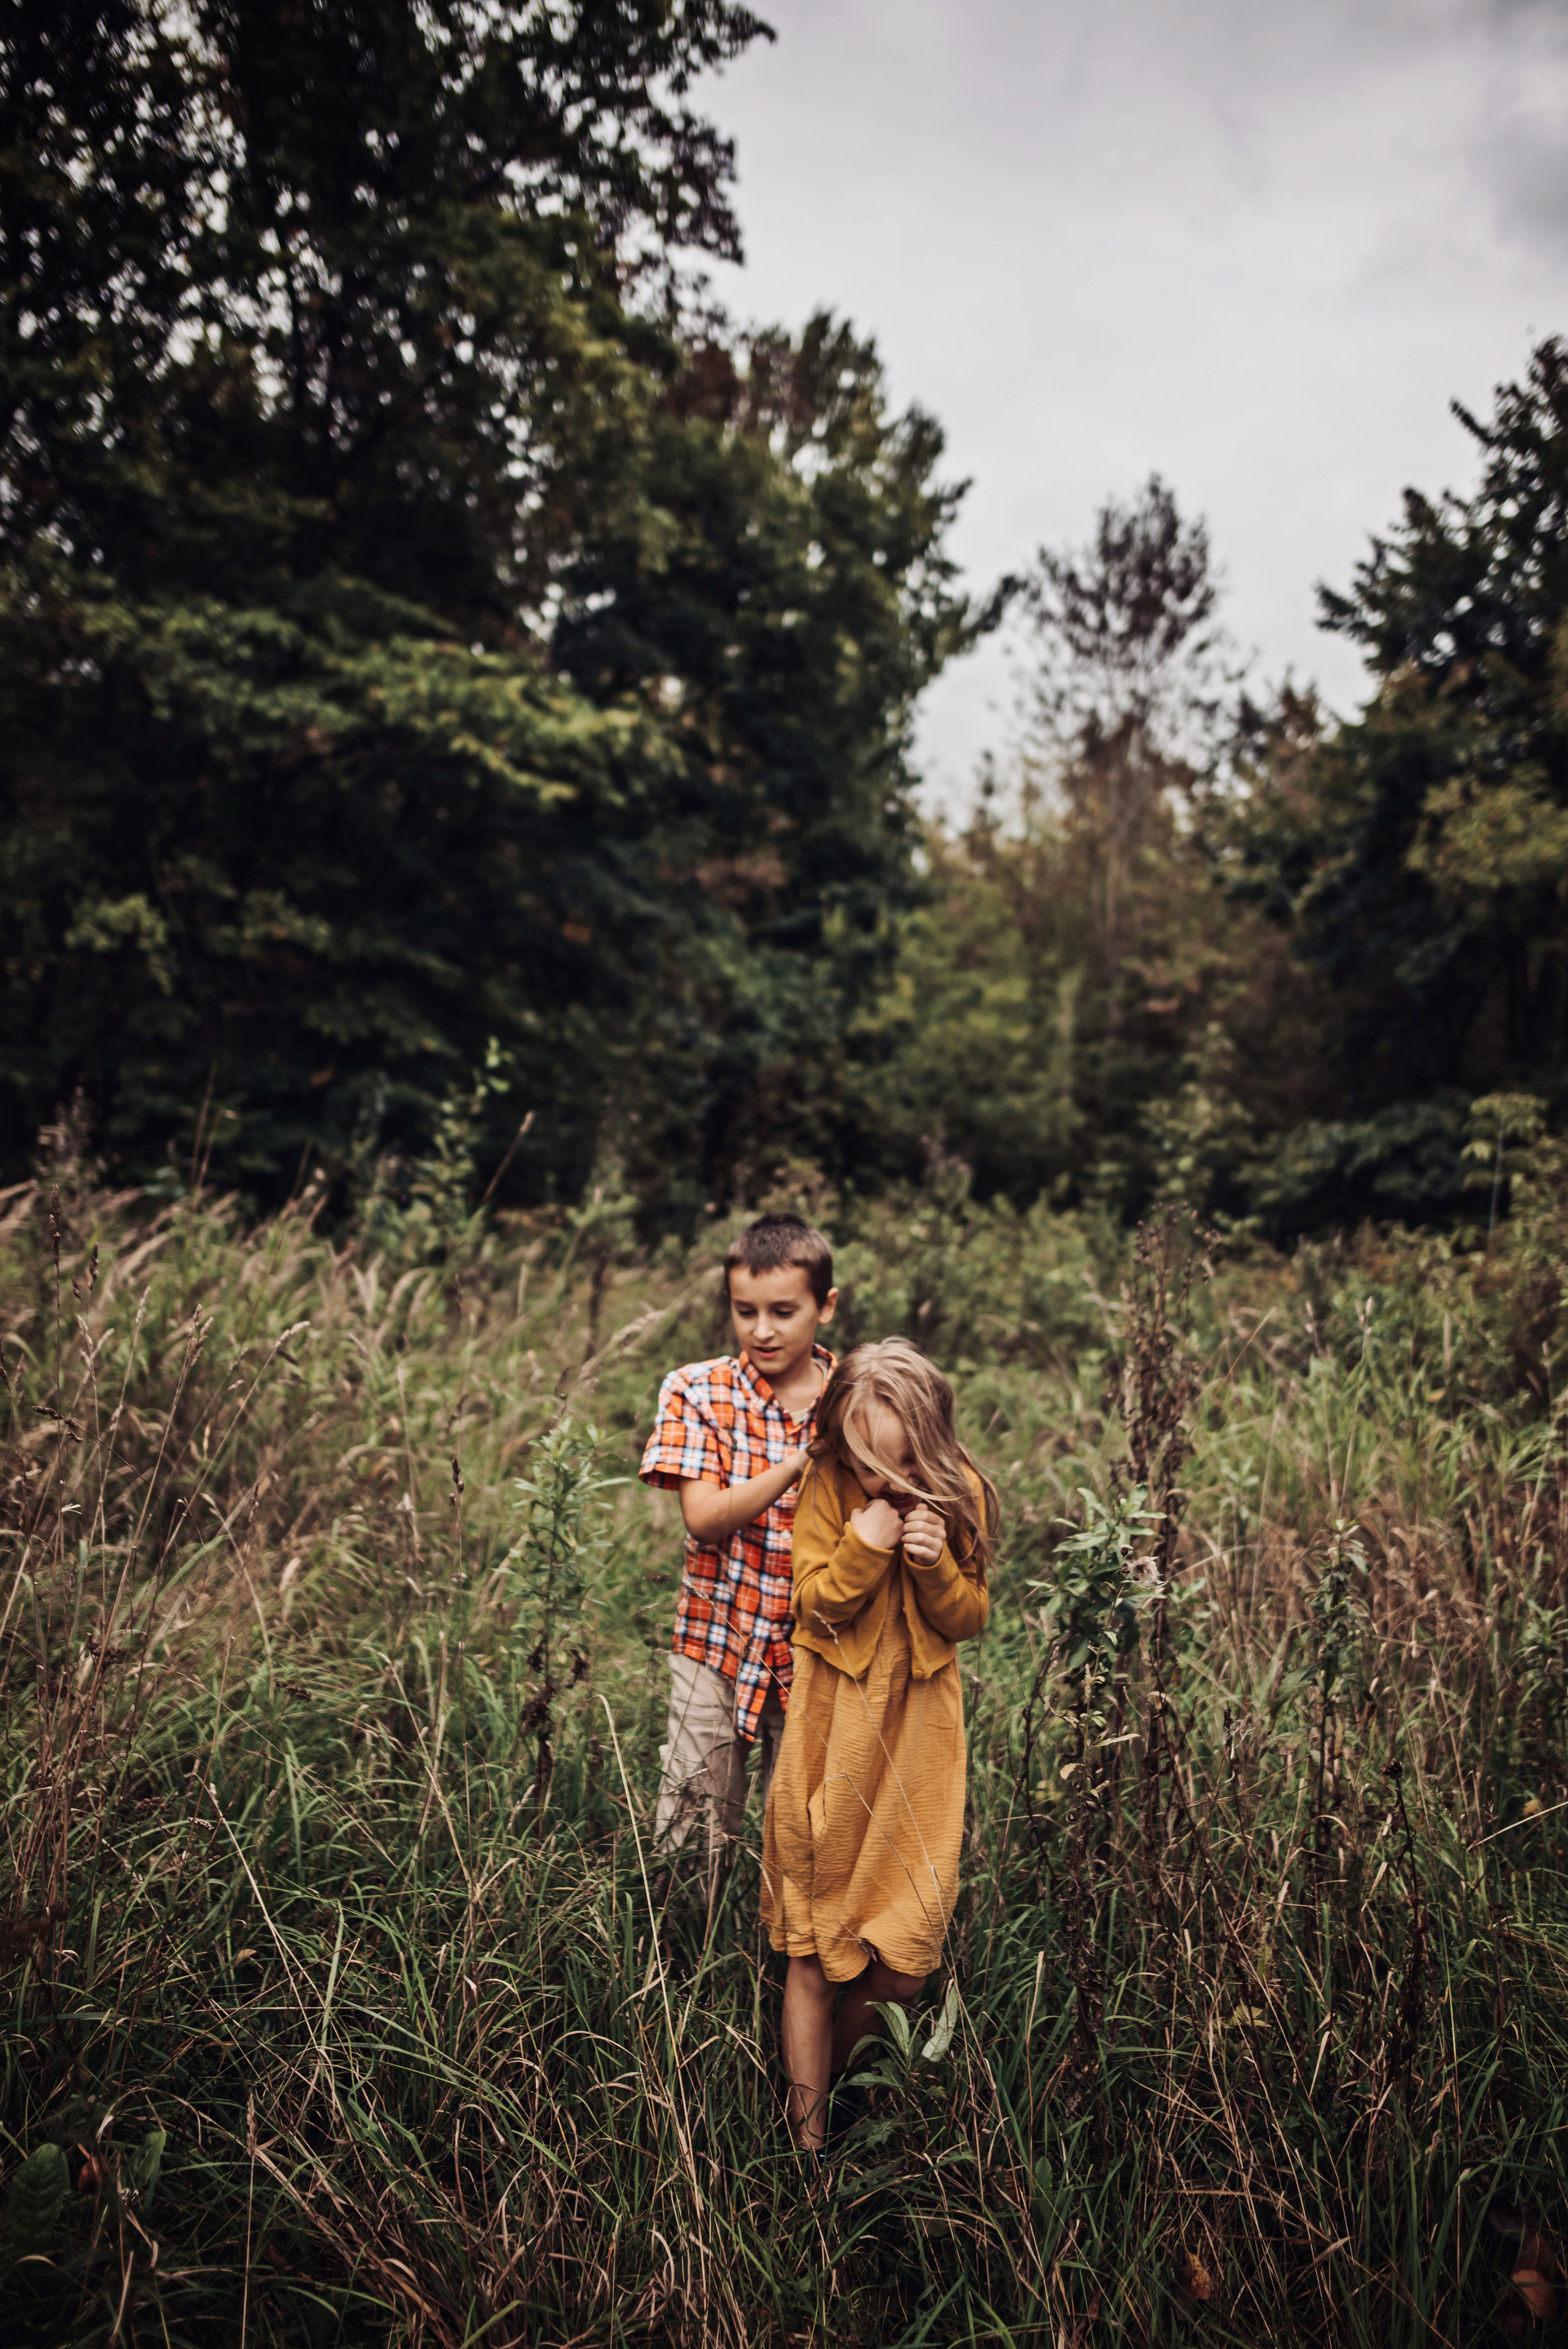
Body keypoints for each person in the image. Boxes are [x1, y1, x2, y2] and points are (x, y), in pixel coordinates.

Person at [761, 1337, 998, 2152]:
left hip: (919, 1743)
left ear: (932, 1442)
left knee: (905, 1959)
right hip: (835, 1735)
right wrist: (864, 1544)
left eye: (904, 1465)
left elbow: (969, 1616)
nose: (889, 1483)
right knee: (813, 1946)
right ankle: (808, 2148)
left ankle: (844, 2091)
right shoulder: (828, 1486)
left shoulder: (959, 1492)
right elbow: (813, 1606)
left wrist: (935, 1568)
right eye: (870, 1467)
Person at [638, 1212, 839, 1899]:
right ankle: (678, 1949)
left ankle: (779, 1952)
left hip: (818, 1649)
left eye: (784, 1312)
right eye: (744, 1311)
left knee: (807, 1831)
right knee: (692, 1826)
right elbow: (704, 1518)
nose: (762, 1330)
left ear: (825, 1306)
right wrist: (800, 1461)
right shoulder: (697, 1389)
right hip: (715, 1641)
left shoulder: (855, 1397)